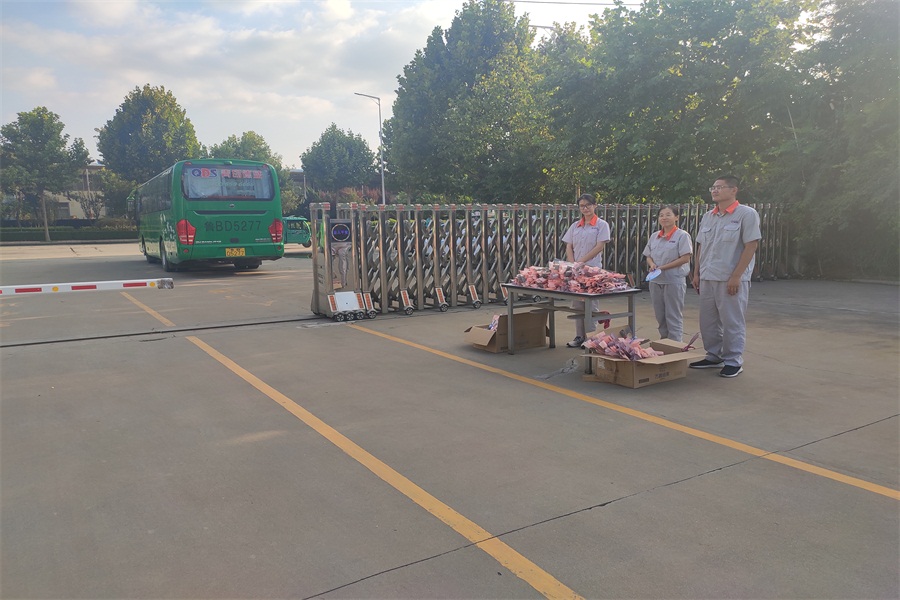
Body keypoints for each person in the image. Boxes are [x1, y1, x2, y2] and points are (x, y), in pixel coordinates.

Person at [690, 175, 761, 378]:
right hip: (708, 276)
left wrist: (736, 276)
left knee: (732, 321)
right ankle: (714, 356)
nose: (715, 190)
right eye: (713, 187)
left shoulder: (746, 214)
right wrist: (697, 272)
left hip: (730, 278)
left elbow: (751, 245)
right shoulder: (708, 216)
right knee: (708, 321)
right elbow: (702, 246)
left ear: (733, 190)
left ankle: (733, 361)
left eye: (720, 187)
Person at [561, 193, 610, 347]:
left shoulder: (601, 225)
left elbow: (599, 247)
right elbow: (568, 245)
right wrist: (572, 264)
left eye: (588, 205)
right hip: (576, 271)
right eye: (582, 206)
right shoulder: (575, 225)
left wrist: (581, 262)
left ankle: (591, 338)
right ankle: (579, 336)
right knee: (577, 304)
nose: (585, 208)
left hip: (592, 271)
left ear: (595, 206)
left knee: (590, 304)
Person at [642, 206, 692, 342]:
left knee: (673, 315)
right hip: (655, 281)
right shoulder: (655, 236)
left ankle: (675, 344)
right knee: (660, 315)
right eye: (661, 215)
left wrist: (662, 268)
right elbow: (648, 255)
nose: (664, 218)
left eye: (668, 214)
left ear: (676, 217)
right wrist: (652, 265)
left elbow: (685, 258)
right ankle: (664, 341)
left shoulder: (682, 235)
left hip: (673, 281)